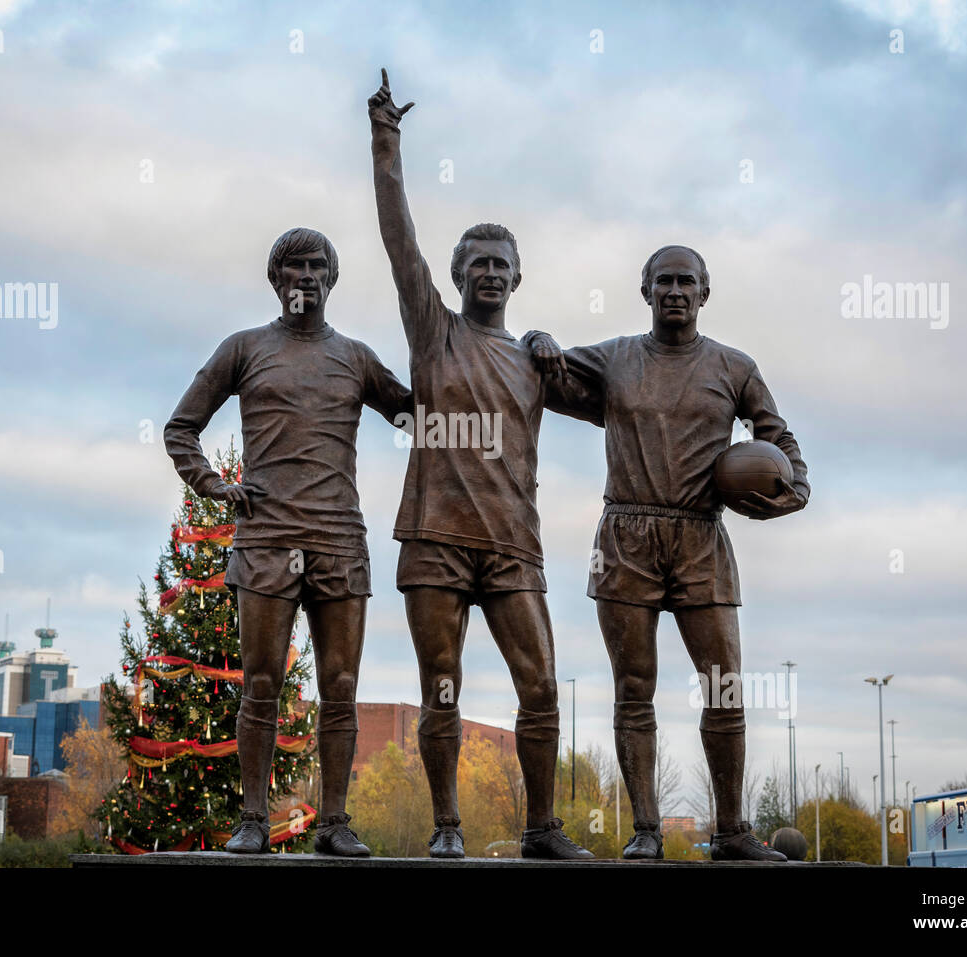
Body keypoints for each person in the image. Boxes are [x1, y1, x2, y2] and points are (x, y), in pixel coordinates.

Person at [369, 69, 592, 860]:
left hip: (512, 546)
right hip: (433, 538)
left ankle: (541, 828)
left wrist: (553, 347)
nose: (490, 271)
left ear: (518, 277)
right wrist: (387, 143)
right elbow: (401, 241)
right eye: (478, 263)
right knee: (442, 689)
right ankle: (446, 826)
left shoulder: (538, 362)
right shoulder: (433, 330)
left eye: (502, 263)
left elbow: (624, 402)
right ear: (460, 276)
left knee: (542, 689)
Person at [528, 244, 809, 860]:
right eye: (663, 281)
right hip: (627, 536)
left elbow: (780, 440)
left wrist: (790, 495)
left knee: (724, 685)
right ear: (646, 291)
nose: (674, 291)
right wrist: (539, 337)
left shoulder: (734, 367)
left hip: (700, 536)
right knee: (634, 687)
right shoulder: (616, 359)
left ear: (704, 293)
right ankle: (647, 831)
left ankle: (732, 831)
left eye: (686, 281)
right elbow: (546, 376)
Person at [164, 227, 412, 856]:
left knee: (341, 685)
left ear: (331, 279)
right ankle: (252, 818)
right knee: (262, 683)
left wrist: (460, 370)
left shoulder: (355, 357)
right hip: (267, 537)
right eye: (295, 267)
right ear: (277, 280)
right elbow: (181, 428)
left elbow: (415, 415)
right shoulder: (244, 348)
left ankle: (334, 822)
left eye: (317, 266)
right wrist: (213, 485)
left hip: (338, 539)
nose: (306, 275)